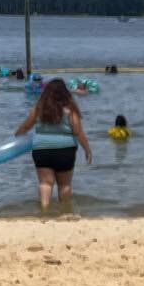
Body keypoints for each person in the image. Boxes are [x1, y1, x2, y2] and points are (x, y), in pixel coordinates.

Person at [17, 77, 91, 209]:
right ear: (65, 93)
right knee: (64, 185)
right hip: (65, 150)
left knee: (45, 183)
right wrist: (87, 149)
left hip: (42, 149)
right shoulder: (70, 109)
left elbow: (25, 127)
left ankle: (45, 211)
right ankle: (65, 211)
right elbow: (77, 131)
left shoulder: (39, 108)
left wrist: (15, 138)